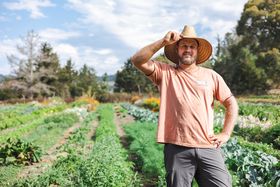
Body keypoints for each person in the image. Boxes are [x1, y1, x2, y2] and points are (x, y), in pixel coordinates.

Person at [131, 25, 238, 187]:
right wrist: (163, 41)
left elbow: (231, 103)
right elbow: (137, 60)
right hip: (177, 148)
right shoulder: (165, 73)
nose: (188, 50)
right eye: (184, 46)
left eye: (192, 46)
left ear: (197, 50)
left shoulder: (211, 76)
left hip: (208, 146)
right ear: (177, 49)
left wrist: (226, 133)